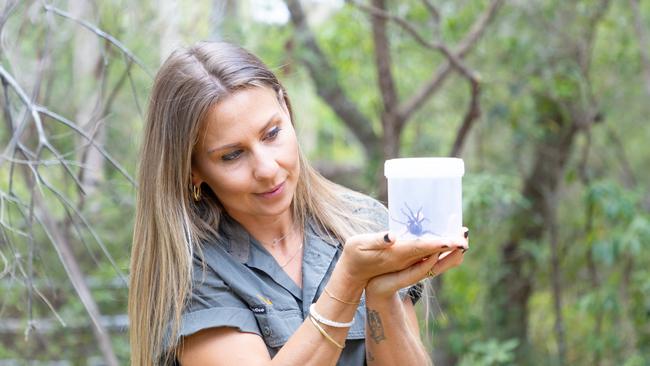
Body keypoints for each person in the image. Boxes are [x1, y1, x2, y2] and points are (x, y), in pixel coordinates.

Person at [128, 41, 469, 366]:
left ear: (287, 110)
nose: (266, 168)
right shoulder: (193, 271)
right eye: (232, 155)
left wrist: (382, 292)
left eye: (272, 134)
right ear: (192, 171)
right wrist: (349, 280)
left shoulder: (362, 221)